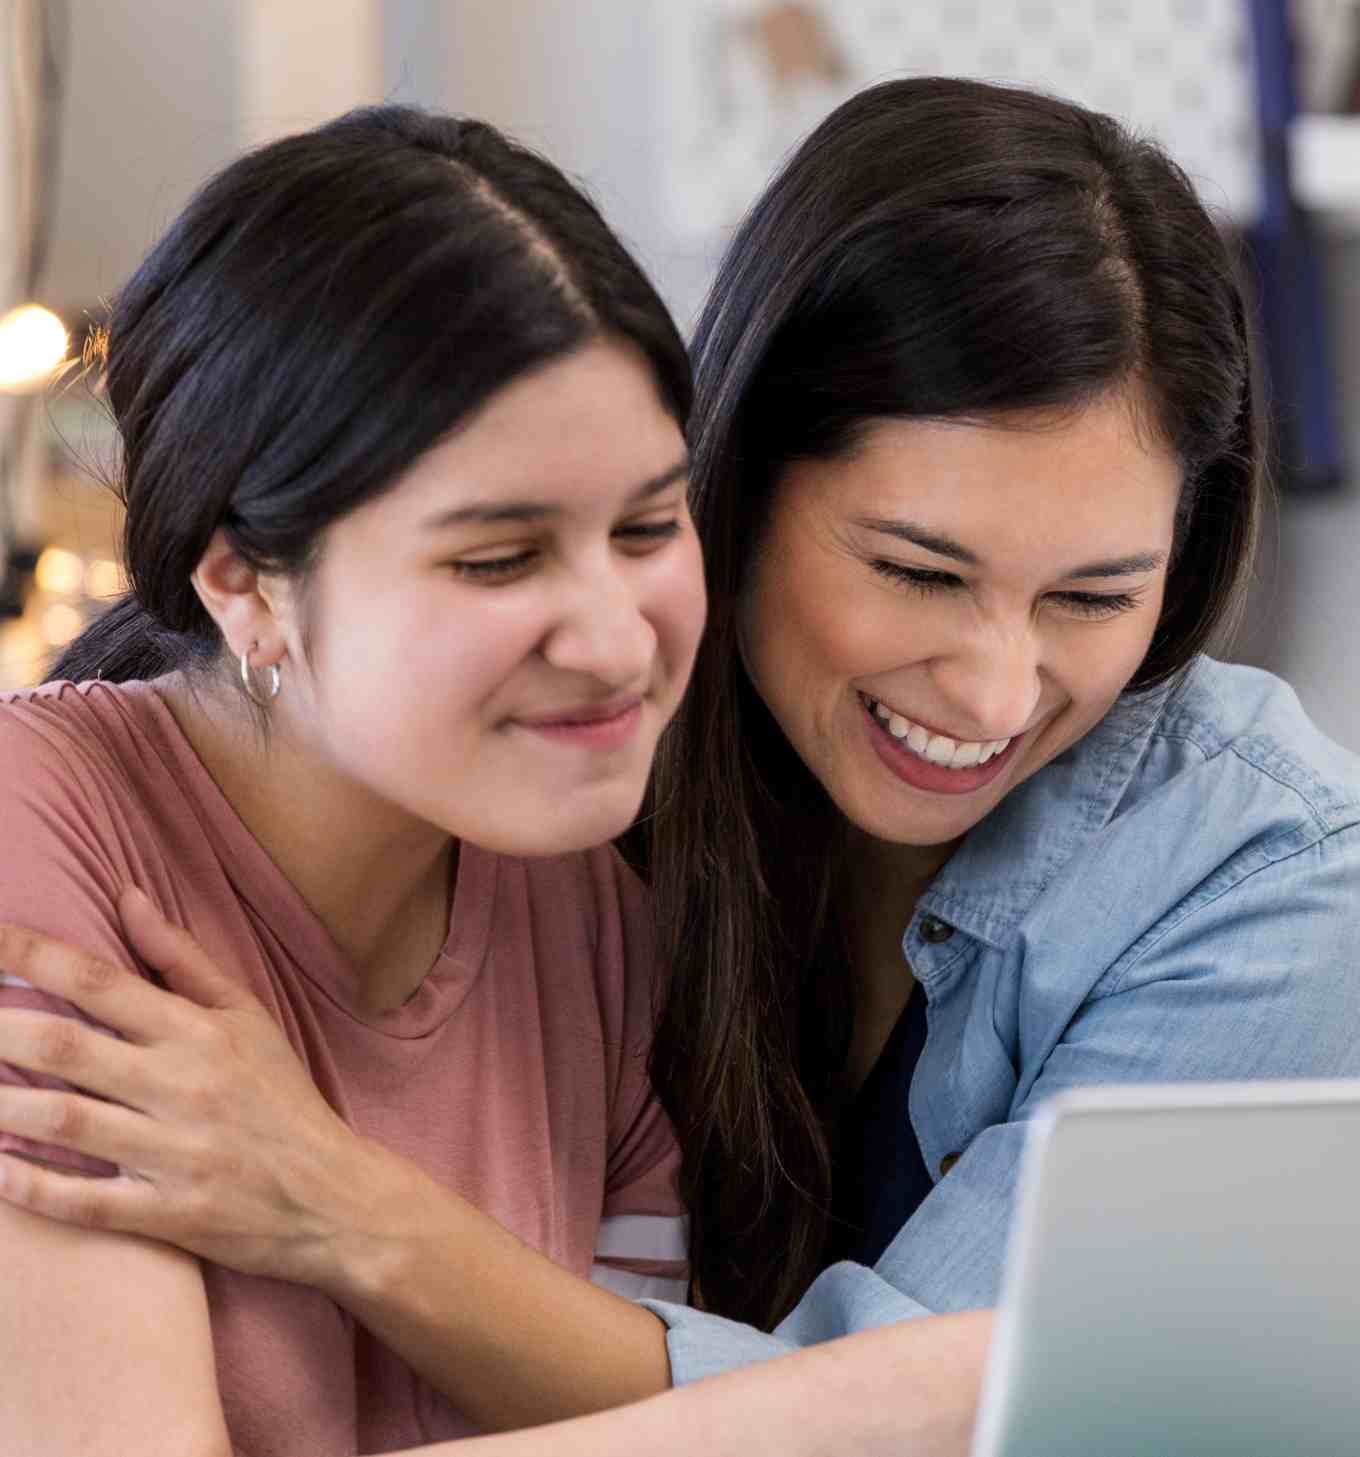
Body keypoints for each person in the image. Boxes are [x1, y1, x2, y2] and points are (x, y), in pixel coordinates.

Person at [0, 77, 1360, 1403]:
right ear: (738, 481)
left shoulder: (1278, 876)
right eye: (918, 573)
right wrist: (959, 1392)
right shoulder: (560, 794)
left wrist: (339, 1203)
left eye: (1095, 596)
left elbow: (1026, 1420)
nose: (1000, 691)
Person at [0, 105, 983, 1457]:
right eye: (499, 559)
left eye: (649, 525)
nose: (618, 638)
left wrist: (337, 1198)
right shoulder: (35, 836)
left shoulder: (592, 915)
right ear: (244, 582)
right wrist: (900, 1403)